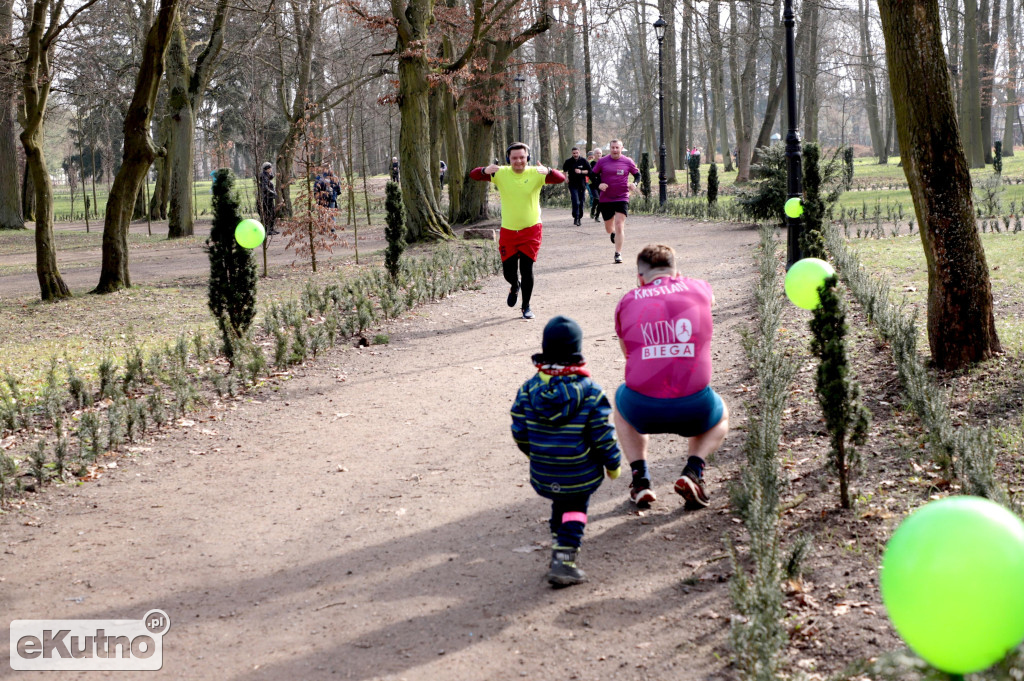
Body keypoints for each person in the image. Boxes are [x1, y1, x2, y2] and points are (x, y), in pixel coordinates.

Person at [613, 244, 729, 509]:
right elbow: (710, 302)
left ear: (640, 277)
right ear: (676, 272)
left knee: (621, 399)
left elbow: (629, 354)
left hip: (643, 408)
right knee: (721, 414)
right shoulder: (699, 288)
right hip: (694, 406)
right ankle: (693, 471)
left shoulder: (628, 300)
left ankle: (640, 478)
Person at [511, 315, 621, 587]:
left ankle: (559, 544)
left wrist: (534, 454)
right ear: (578, 351)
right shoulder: (591, 392)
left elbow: (519, 430)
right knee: (574, 508)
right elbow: (601, 434)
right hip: (580, 471)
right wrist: (613, 463)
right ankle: (564, 560)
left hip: (544, 471)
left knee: (561, 502)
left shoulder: (528, 389)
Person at [469, 142, 565, 320]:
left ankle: (526, 306)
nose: (519, 161)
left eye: (522, 157)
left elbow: (560, 179)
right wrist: (485, 170)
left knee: (527, 269)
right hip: (509, 231)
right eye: (514, 158)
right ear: (509, 159)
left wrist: (549, 170)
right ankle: (514, 285)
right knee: (508, 272)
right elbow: (473, 175)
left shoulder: (536, 173)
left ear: (527, 158)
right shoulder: (501, 173)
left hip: (531, 230)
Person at [590, 139, 640, 264]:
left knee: (619, 225)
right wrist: (598, 184)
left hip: (622, 197)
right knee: (609, 228)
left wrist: (634, 183)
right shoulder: (602, 161)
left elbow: (638, 174)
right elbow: (592, 175)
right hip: (606, 198)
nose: (615, 150)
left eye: (617, 147)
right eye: (613, 147)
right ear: (610, 148)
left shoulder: (628, 161)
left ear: (621, 148)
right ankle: (612, 233)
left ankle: (618, 253)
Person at [561, 147, 591, 226]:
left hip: (582, 184)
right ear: (572, 153)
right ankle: (576, 217)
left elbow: (589, 171)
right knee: (575, 201)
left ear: (579, 152)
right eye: (574, 153)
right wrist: (566, 178)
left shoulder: (583, 161)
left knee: (581, 202)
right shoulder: (568, 161)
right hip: (572, 184)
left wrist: (581, 171)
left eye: (576, 153)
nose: (575, 154)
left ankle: (579, 217)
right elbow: (564, 170)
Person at [258, 162, 279, 236]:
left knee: (272, 214)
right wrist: (272, 193)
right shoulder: (263, 176)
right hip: (266, 198)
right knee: (268, 214)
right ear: (267, 168)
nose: (271, 169)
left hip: (270, 198)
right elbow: (265, 187)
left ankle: (271, 229)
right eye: (270, 168)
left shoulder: (267, 176)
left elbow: (271, 179)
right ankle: (268, 230)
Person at [588, 147, 603, 221]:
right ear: (594, 154)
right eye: (597, 153)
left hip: (602, 184)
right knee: (597, 198)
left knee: (601, 200)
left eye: (600, 153)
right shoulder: (591, 163)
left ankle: (597, 216)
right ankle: (593, 210)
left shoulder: (604, 162)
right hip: (593, 184)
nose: (599, 154)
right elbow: (590, 174)